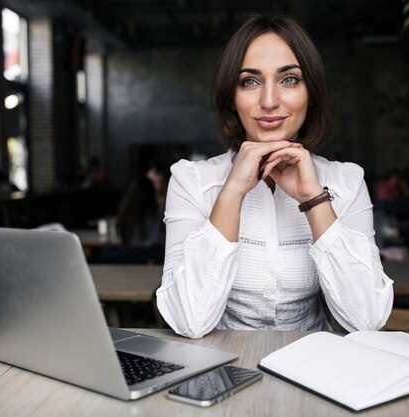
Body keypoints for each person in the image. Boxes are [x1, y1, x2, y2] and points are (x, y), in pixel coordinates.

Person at [156, 15, 393, 339]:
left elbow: (367, 320)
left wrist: (314, 199)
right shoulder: (192, 181)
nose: (269, 101)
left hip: (313, 371)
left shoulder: (346, 183)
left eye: (290, 80)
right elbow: (188, 321)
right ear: (231, 98)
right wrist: (232, 192)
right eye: (250, 81)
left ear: (311, 94)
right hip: (221, 368)